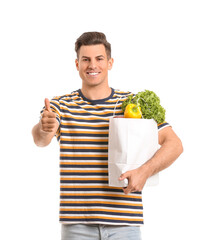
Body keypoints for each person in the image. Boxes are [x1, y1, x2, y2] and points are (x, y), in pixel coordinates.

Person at [32, 32, 183, 240]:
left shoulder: (132, 103)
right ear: (77, 64)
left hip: (125, 225)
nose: (92, 65)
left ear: (110, 63)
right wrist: (45, 127)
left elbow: (174, 144)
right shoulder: (61, 106)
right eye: (86, 59)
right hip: (77, 226)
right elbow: (40, 139)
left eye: (99, 59)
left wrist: (145, 171)